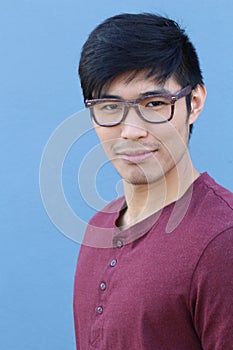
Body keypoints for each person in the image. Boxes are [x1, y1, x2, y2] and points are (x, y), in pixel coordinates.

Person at [73, 13, 233, 349]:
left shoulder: (223, 239)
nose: (131, 131)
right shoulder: (98, 228)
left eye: (155, 104)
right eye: (109, 106)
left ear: (196, 102)